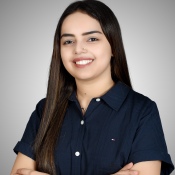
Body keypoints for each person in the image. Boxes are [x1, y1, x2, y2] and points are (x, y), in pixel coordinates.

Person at [10, 0, 174, 175]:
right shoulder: (44, 110)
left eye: (92, 39)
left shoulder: (142, 111)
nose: (78, 49)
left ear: (114, 47)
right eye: (68, 41)